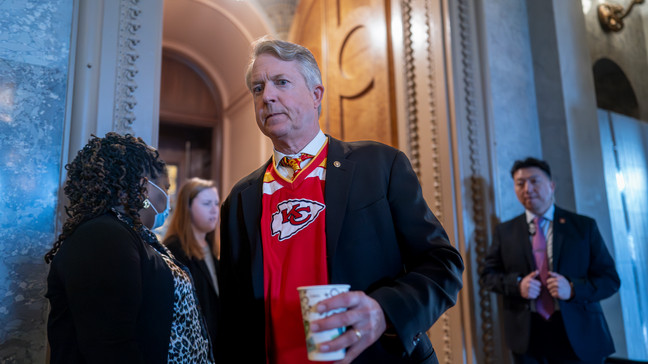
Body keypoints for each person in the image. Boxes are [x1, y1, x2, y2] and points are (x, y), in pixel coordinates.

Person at [219, 36, 464, 364]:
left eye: (281, 82)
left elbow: (442, 265)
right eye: (258, 88)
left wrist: (383, 312)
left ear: (316, 94)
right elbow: (233, 317)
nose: (268, 96)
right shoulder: (239, 200)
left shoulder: (379, 166)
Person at [44, 133, 213, 363]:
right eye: (166, 188)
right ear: (144, 187)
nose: (168, 199)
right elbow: (111, 347)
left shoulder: (131, 235)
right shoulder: (103, 235)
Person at [480, 157, 620, 364]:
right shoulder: (505, 231)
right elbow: (487, 275)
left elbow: (610, 280)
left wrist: (573, 288)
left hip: (579, 333)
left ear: (551, 185)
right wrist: (517, 285)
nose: (527, 188)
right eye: (520, 183)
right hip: (528, 337)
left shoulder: (583, 227)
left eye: (534, 181)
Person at [163, 177, 221, 360]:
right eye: (206, 203)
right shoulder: (174, 250)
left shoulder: (213, 248)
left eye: (216, 204)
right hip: (192, 350)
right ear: (187, 208)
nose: (214, 210)